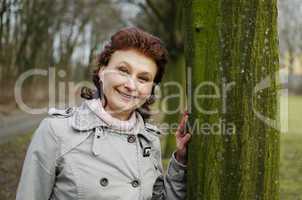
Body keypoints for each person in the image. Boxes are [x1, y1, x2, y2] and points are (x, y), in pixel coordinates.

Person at [16, 27, 191, 200]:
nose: (131, 85)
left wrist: (181, 160)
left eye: (143, 78)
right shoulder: (56, 131)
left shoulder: (149, 140)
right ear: (102, 70)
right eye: (123, 70)